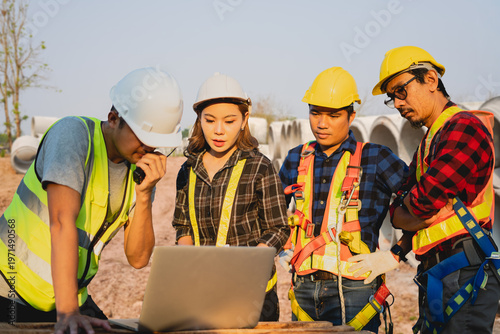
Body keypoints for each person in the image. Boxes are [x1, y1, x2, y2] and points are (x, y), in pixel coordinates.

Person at [0, 67, 183, 334]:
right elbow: (62, 223)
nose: (149, 149)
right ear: (112, 118)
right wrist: (68, 313)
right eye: (143, 138)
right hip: (11, 288)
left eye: (156, 143)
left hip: (67, 296)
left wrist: (144, 195)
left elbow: (138, 258)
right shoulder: (74, 136)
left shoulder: (138, 169)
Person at [370, 45, 500, 333]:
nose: (398, 102)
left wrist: (408, 212)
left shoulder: (464, 128)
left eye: (401, 91)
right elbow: (401, 207)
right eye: (392, 97)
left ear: (430, 80)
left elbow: (420, 201)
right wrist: (403, 217)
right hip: (439, 270)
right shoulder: (431, 142)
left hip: (464, 268)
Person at [278, 67, 407, 333]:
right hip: (303, 287)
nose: (322, 123)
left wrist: (396, 254)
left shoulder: (376, 158)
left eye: (333, 115)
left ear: (351, 116)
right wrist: (281, 248)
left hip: (356, 289)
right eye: (315, 113)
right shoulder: (295, 158)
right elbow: (272, 214)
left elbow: (424, 205)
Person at [171, 72, 290, 321]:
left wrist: (250, 266)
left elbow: (278, 228)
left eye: (229, 121)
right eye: (210, 120)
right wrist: (187, 265)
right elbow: (183, 226)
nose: (218, 130)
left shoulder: (260, 166)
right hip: (202, 293)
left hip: (254, 296)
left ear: (244, 120)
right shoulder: (187, 170)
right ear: (199, 120)